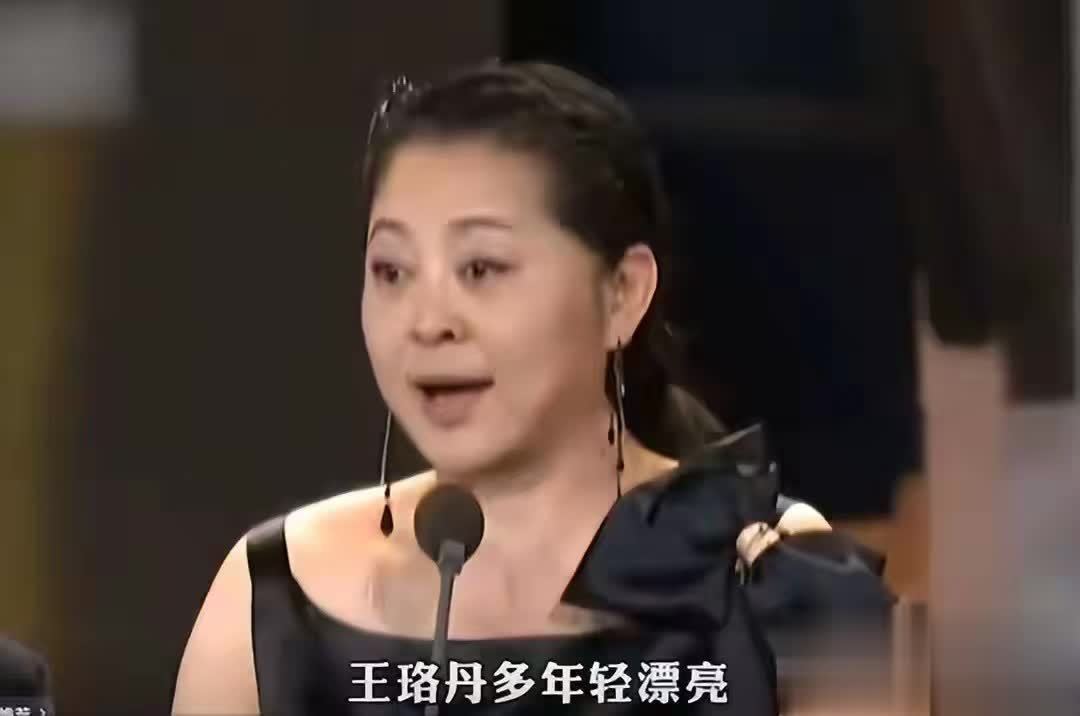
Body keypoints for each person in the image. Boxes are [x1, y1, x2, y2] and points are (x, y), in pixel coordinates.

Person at [172, 61, 887, 716]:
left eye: (481, 268)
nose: (427, 322)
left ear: (622, 293)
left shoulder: (775, 576)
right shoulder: (275, 595)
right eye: (392, 272)